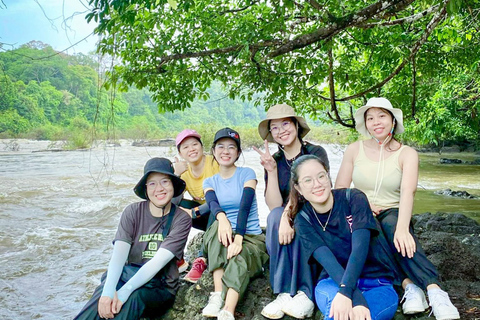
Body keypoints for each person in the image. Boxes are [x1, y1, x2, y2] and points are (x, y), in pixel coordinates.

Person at [335, 97, 460, 320]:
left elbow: (407, 192)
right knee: (369, 228)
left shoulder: (407, 153)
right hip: (362, 211)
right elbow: (341, 189)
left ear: (392, 120)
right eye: (370, 118)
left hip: (394, 211)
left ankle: (434, 290)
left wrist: (403, 228)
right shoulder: (354, 150)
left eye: (382, 116)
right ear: (366, 124)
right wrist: (364, 205)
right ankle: (409, 285)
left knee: (392, 225)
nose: (376, 122)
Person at [74, 157, 192, 320]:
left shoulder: (182, 219)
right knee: (102, 296)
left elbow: (157, 263)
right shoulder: (132, 212)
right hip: (128, 274)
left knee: (133, 298)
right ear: (145, 188)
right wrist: (108, 292)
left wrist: (125, 291)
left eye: (165, 181)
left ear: (173, 184)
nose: (159, 188)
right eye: (152, 183)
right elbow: (119, 257)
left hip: (159, 286)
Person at [289, 155, 399, 320]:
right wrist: (352, 296)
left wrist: (351, 295)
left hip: (376, 282)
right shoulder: (303, 219)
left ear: (328, 176)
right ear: (298, 188)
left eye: (321, 176)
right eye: (308, 180)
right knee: (337, 316)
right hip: (333, 281)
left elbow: (360, 249)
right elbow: (329, 262)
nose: (317, 184)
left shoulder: (353, 198)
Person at [254, 103, 330, 319]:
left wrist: (288, 215)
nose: (281, 131)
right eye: (275, 127)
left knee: (296, 218)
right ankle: (284, 292)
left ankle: (306, 293)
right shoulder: (275, 161)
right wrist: (271, 171)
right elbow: (273, 204)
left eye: (285, 123)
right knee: (274, 216)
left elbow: (312, 192)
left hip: (316, 212)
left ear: (296, 125)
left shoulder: (315, 152)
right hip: (287, 215)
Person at [201, 128, 269, 320]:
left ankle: (227, 310)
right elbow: (213, 204)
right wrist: (222, 219)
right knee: (216, 227)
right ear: (213, 151)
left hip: (250, 236)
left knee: (240, 256)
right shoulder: (210, 181)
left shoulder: (247, 173)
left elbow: (245, 205)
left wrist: (238, 239)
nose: (226, 151)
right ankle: (216, 296)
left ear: (238, 153)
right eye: (221, 146)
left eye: (231, 147)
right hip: (224, 233)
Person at [173, 129, 220, 283]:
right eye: (185, 147)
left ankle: (201, 259)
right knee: (174, 207)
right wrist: (176, 176)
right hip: (204, 218)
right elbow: (172, 202)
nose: (191, 149)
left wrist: (194, 212)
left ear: (201, 146)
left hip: (222, 215)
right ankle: (177, 257)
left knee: (215, 205)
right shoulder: (184, 172)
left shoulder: (214, 163)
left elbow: (222, 197)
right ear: (180, 153)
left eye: (194, 144)